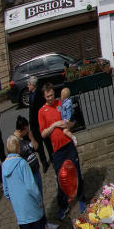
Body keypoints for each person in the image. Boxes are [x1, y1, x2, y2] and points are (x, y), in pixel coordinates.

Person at [3, 136, 58, 229]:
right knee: (43, 228)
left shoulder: (4, 166)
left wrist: (15, 200)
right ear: (18, 148)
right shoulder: (22, 163)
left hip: (20, 209)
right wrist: (39, 199)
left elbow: (6, 191)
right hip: (31, 204)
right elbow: (31, 186)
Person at [38, 82, 86, 221]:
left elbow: (73, 121)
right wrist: (54, 125)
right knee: (61, 178)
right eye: (47, 96)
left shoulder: (62, 104)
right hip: (57, 150)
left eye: (52, 95)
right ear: (44, 96)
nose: (50, 98)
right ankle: (63, 206)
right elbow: (43, 134)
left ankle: (81, 198)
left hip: (68, 145)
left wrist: (68, 125)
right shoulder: (42, 112)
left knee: (76, 172)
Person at [27, 77, 51, 172]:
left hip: (41, 123)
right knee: (39, 146)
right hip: (34, 124)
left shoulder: (39, 94)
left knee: (47, 142)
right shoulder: (30, 95)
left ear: (33, 85)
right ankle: (44, 163)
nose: (27, 85)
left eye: (28, 84)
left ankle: (52, 157)